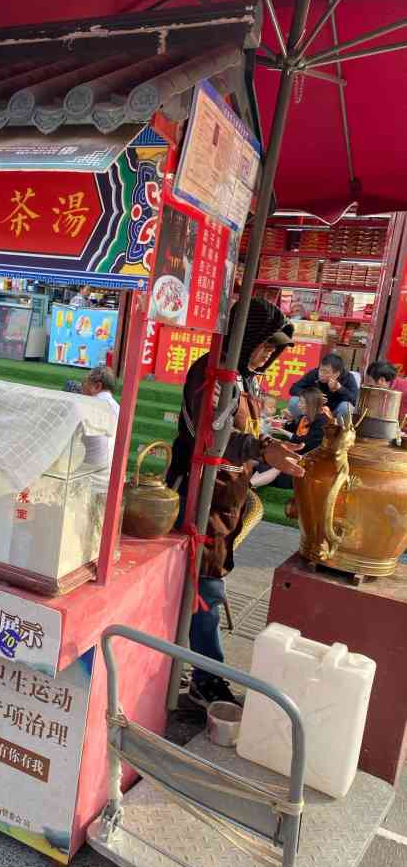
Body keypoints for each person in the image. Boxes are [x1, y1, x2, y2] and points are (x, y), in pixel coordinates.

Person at [167, 297, 304, 708]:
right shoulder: (211, 374)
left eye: (273, 349)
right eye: (264, 345)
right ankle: (207, 679)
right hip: (200, 499)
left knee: (209, 586)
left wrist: (268, 447)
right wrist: (263, 448)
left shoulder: (244, 378)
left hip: (226, 502)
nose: (269, 355)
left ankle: (200, 669)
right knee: (206, 590)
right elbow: (212, 439)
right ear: (243, 341)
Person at [251, 387, 329, 489]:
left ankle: (250, 484)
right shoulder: (305, 417)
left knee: (277, 462)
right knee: (268, 457)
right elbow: (292, 428)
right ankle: (250, 482)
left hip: (305, 463)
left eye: (301, 402)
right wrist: (285, 422)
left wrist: (285, 433)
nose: (299, 405)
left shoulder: (322, 422)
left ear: (311, 404)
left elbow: (305, 444)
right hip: (294, 455)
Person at [81, 366, 120, 489]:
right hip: (113, 475)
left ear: (97, 386)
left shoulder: (89, 405)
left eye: (85, 384)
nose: (82, 388)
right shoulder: (118, 407)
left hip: (91, 478)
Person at [288, 352, 358, 421]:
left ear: (336, 374)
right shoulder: (314, 374)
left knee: (346, 407)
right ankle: (300, 427)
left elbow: (354, 400)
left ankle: (338, 431)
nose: (321, 374)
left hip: (334, 411)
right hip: (313, 411)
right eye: (321, 370)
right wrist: (312, 396)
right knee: (294, 401)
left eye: (326, 372)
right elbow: (293, 389)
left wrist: (340, 389)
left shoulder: (348, 378)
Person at [366, 360, 407, 425]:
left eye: (370, 381)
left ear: (381, 380)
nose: (367, 384)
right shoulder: (387, 388)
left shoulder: (403, 389)